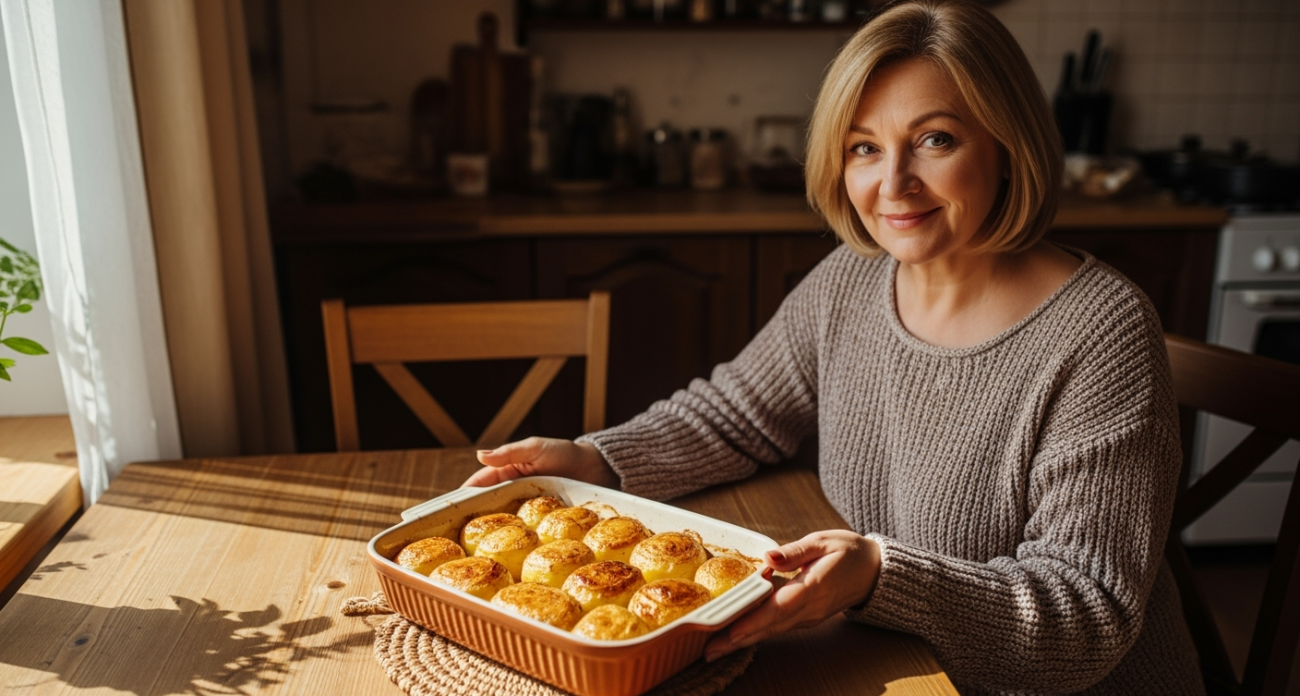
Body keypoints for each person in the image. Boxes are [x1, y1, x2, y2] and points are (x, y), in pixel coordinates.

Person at [465, 1, 1204, 693]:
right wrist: (595, 460)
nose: (894, 183)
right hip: (895, 657)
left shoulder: (1100, 332)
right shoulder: (853, 277)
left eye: (936, 140)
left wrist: (881, 575)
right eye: (864, 148)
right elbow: (736, 413)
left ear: (1009, 147)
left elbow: (1086, 614)